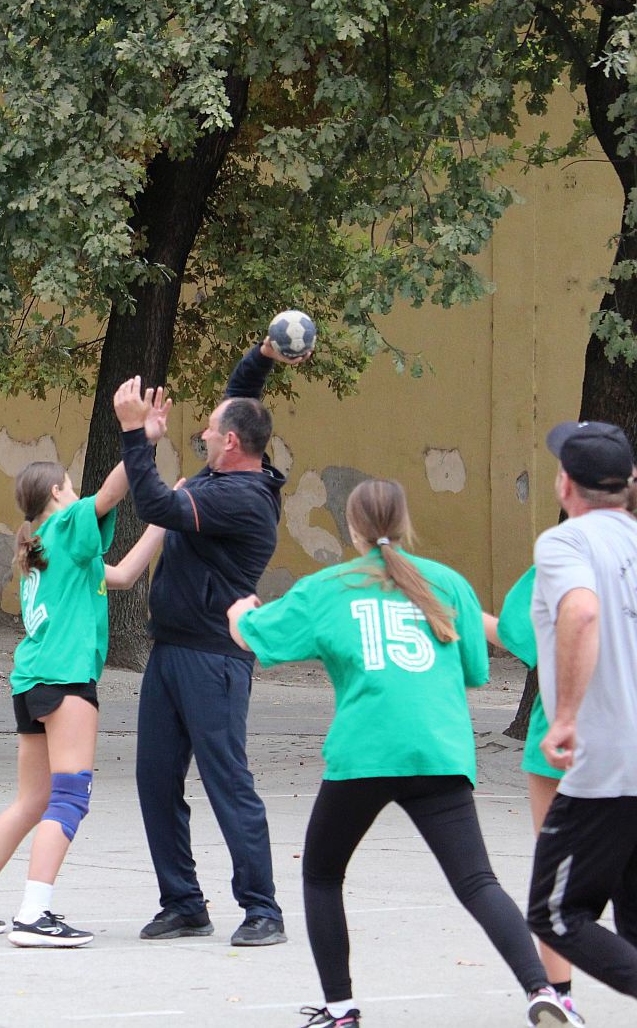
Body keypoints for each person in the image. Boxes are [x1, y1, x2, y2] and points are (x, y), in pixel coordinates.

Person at [228, 478, 571, 1028]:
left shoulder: (329, 586)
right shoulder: (447, 583)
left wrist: (239, 613)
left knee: (321, 874)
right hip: (439, 750)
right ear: (405, 522)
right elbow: (476, 671)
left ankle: (340, 1009)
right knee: (477, 881)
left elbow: (255, 637)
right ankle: (542, 990)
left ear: (353, 528)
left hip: (365, 752)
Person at [112, 337, 301, 947]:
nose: (202, 433)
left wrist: (136, 435)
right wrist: (264, 354)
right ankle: (183, 903)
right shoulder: (227, 467)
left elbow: (153, 501)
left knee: (227, 782)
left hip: (214, 659)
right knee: (155, 780)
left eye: (210, 430)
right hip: (170, 651)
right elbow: (242, 396)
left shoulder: (239, 498)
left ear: (232, 443)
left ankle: (263, 909)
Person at [0, 455, 166, 948]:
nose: (77, 494)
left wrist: (162, 521)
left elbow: (125, 576)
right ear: (58, 495)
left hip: (31, 681)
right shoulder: (66, 528)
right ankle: (33, 915)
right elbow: (110, 494)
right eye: (70, 486)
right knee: (69, 797)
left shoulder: (48, 550)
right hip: (65, 679)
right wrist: (140, 438)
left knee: (32, 802)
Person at [526, 420, 637, 1001]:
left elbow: (581, 612)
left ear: (565, 483)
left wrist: (565, 717)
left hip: (607, 765)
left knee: (555, 912)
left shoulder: (566, 542)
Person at [485, 565, 586, 1024]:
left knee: (555, 874)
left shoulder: (561, 560)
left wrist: (462, 614)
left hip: (564, 731)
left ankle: (560, 996)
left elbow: (518, 635)